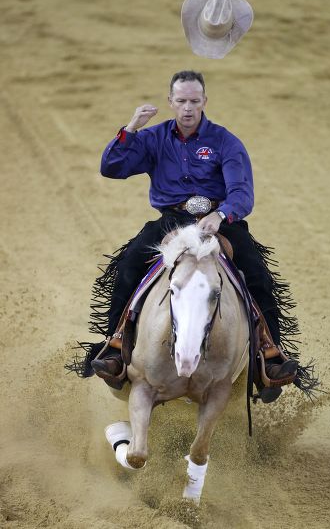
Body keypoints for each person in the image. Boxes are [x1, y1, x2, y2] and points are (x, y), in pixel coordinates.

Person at [90, 70, 298, 400]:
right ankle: (115, 345)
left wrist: (220, 214)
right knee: (128, 266)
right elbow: (111, 167)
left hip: (220, 223)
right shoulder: (154, 138)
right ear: (171, 101)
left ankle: (269, 356)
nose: (188, 108)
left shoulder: (225, 141)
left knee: (258, 276)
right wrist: (131, 128)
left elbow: (242, 193)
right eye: (182, 101)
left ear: (204, 101)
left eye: (194, 101)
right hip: (171, 222)